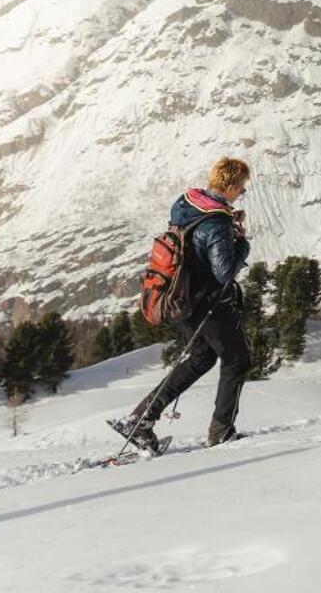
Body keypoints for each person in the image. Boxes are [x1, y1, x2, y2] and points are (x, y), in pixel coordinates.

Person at [112, 157, 254, 450]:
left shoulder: (189, 206)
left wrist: (228, 222)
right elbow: (225, 273)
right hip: (209, 303)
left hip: (181, 299)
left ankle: (140, 419)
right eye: (240, 187)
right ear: (228, 186)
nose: (242, 192)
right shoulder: (216, 222)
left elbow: (199, 244)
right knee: (237, 360)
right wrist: (241, 244)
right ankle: (221, 432)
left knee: (201, 358)